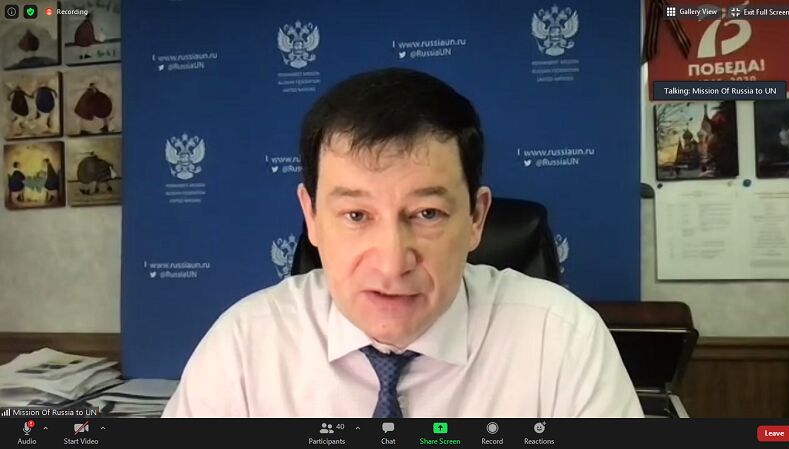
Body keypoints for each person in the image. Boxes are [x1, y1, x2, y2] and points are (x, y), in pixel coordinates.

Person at [163, 68, 643, 418]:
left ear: (476, 218)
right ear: (312, 217)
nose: (393, 264)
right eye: (356, 216)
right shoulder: (245, 346)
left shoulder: (560, 339)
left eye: (427, 214)